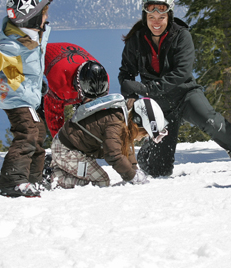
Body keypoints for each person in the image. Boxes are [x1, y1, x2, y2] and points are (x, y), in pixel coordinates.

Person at [118, 0, 231, 177]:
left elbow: (181, 73)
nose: (156, 22)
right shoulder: (136, 40)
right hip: (158, 105)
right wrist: (129, 92)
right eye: (152, 17)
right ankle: (148, 151)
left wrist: (146, 89)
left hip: (185, 94)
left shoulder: (181, 36)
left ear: (169, 16)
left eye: (161, 17)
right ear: (145, 16)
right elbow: (126, 72)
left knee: (210, 120)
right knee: (160, 170)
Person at [0, 0, 53, 197]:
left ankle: (33, 179)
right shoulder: (13, 44)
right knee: (28, 132)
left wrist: (39, 84)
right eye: (43, 14)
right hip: (14, 95)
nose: (47, 18)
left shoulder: (32, 37)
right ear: (32, 19)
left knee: (38, 132)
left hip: (26, 93)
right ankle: (12, 182)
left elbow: (31, 63)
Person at [49, 60, 163, 188]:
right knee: (101, 182)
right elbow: (113, 155)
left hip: (75, 150)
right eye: (144, 133)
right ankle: (52, 178)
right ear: (137, 123)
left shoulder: (123, 120)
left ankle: (56, 168)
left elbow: (126, 150)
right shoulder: (115, 123)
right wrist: (131, 175)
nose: (143, 137)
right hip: (67, 150)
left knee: (96, 178)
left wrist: (134, 170)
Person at [43, 42, 107, 138]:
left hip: (70, 62)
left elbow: (100, 108)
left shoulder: (102, 78)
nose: (91, 101)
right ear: (77, 87)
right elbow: (53, 116)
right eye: (88, 98)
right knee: (37, 120)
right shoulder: (59, 82)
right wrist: (60, 141)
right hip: (36, 59)